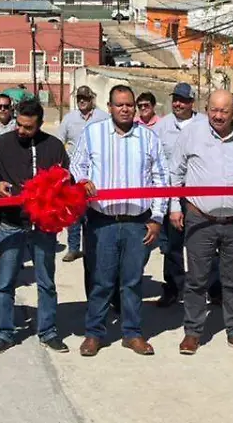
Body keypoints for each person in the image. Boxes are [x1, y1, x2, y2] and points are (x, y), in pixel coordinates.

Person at [172, 90, 233, 355]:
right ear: (206, 109)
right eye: (213, 110)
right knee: (196, 279)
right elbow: (176, 172)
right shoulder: (191, 135)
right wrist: (173, 208)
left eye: (224, 111)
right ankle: (192, 332)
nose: (217, 115)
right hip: (200, 218)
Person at [72, 85, 166, 357]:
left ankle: (132, 333)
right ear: (110, 106)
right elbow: (76, 165)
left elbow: (161, 180)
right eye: (119, 104)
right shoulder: (93, 133)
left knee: (132, 281)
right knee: (101, 280)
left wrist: (157, 218)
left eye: (129, 105)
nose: (125, 109)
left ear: (135, 107)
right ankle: (94, 333)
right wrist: (83, 181)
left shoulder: (148, 138)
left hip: (138, 223)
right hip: (103, 221)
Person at [0, 98, 71, 354]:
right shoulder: (0, 145)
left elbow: (67, 179)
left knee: (46, 282)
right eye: (19, 125)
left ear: (40, 124)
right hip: (11, 223)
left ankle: (48, 331)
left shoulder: (54, 146)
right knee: (5, 282)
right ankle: (4, 332)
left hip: (44, 227)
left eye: (28, 127)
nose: (22, 131)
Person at [153, 82, 198, 308]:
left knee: (203, 244)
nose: (178, 104)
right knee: (172, 246)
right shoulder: (162, 127)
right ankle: (172, 288)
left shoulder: (203, 124)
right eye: (175, 99)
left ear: (192, 102)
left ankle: (213, 288)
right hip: (173, 195)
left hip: (199, 196)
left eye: (183, 100)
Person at [56, 86, 108, 263]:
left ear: (92, 99)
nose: (82, 100)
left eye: (85, 97)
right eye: (79, 98)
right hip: (74, 173)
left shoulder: (103, 117)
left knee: (95, 212)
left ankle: (92, 248)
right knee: (74, 212)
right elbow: (58, 142)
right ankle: (73, 248)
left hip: (97, 172)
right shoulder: (69, 119)